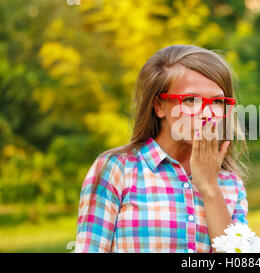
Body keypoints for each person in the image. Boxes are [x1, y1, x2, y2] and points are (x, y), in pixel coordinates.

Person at [75, 44, 250, 253]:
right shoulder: (116, 170)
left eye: (218, 101)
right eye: (191, 100)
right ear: (159, 106)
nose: (207, 113)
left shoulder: (230, 183)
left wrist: (211, 189)